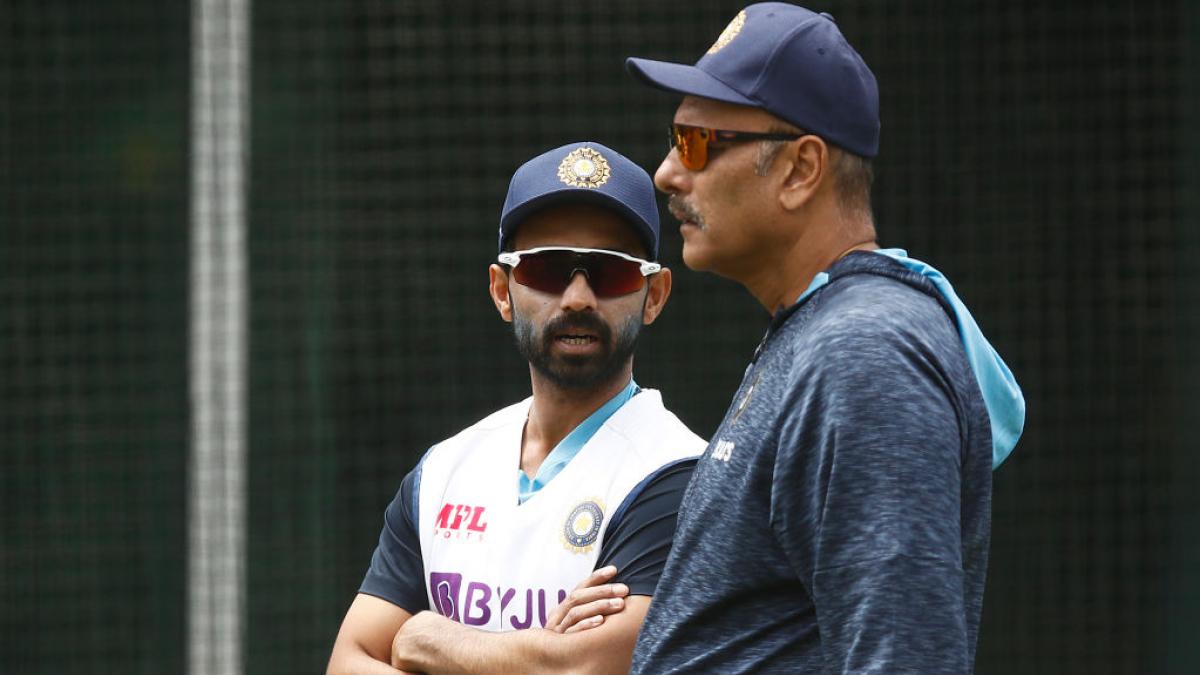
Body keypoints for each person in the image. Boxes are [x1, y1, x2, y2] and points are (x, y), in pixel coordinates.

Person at [619, 4, 1027, 673]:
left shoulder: (865, 352)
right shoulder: (820, 332)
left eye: (695, 142)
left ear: (800, 169)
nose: (666, 171)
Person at [326, 141, 706, 675]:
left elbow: (584, 668)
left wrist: (430, 639)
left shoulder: (680, 477)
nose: (577, 298)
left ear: (655, 294)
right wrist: (535, 656)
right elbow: (348, 661)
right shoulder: (443, 472)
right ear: (502, 290)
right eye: (548, 270)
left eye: (611, 271)